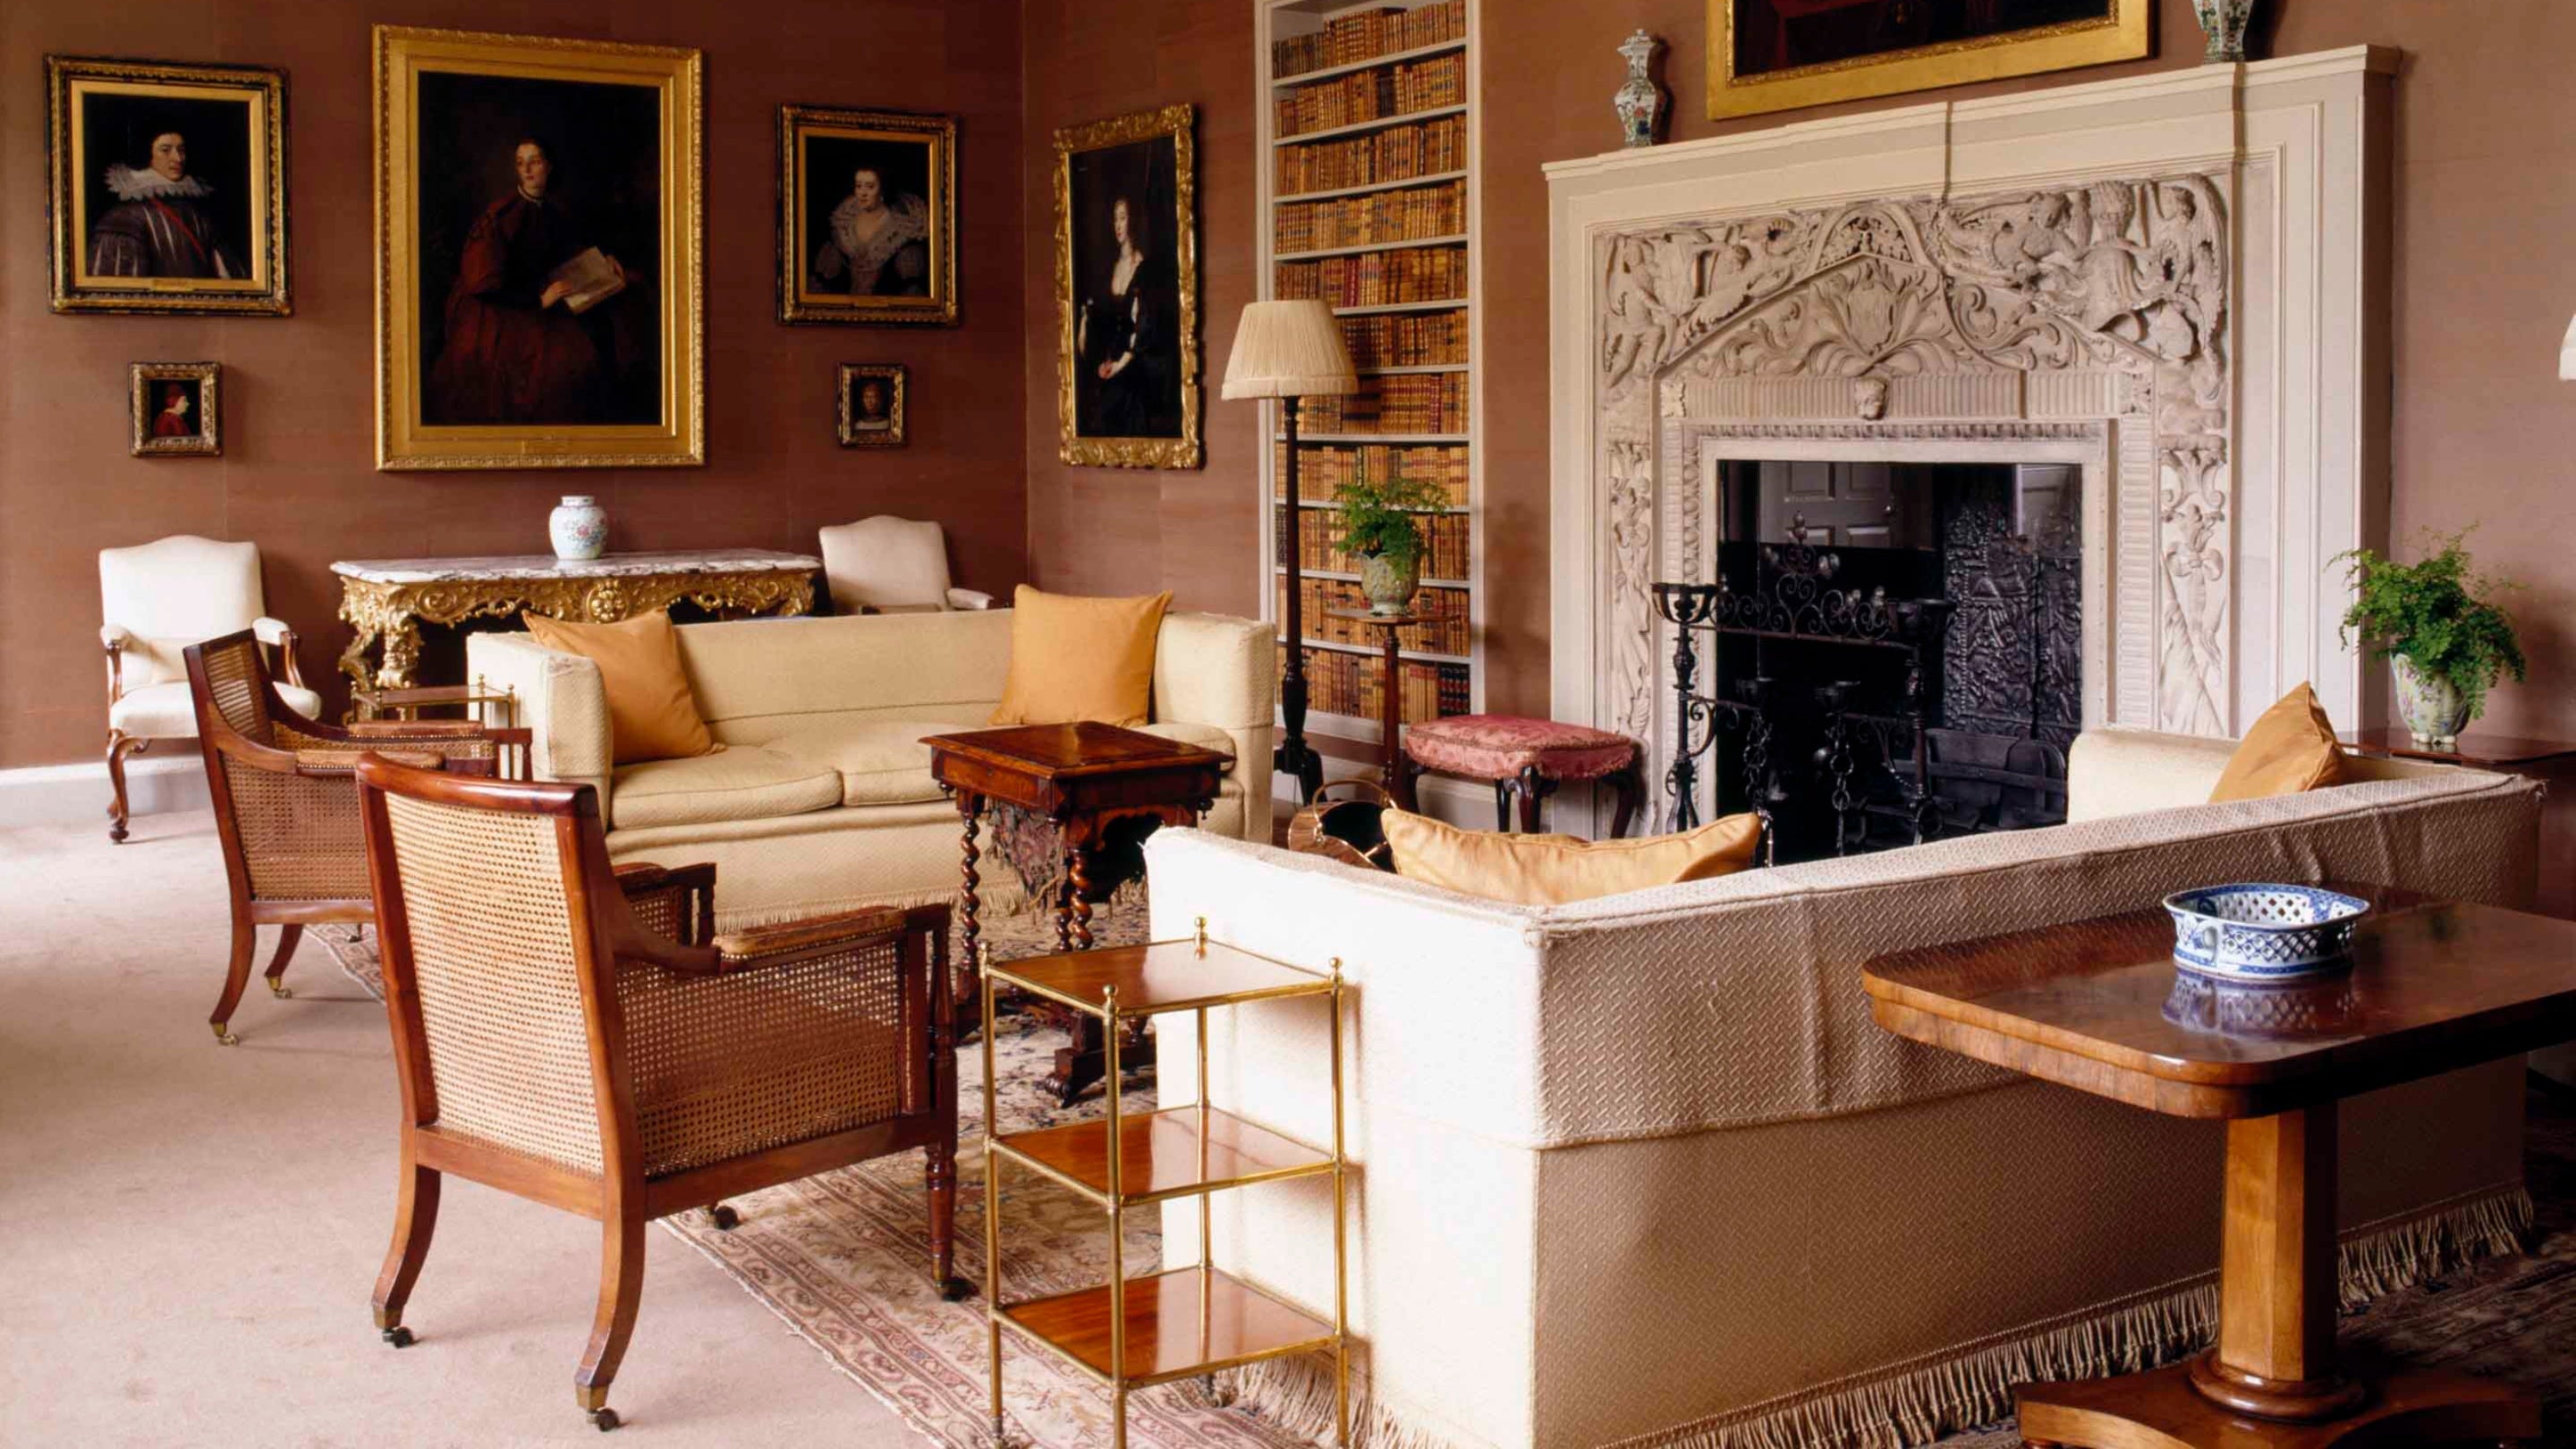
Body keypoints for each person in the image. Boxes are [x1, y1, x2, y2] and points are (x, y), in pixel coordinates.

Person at [425, 138, 636, 426]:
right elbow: (482, 283)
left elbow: (567, 245)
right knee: (552, 372)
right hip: (502, 307)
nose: (527, 170)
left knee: (620, 311)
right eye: (520, 163)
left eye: (534, 162)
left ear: (548, 167)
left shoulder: (552, 208)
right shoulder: (499, 216)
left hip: (544, 291)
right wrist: (538, 300)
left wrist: (603, 258)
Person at [1076, 196, 1175, 437]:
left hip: (1135, 360)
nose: (1118, 225)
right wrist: (1101, 358)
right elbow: (1100, 319)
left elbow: (1143, 327)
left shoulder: (1143, 267)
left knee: (1123, 397)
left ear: (1134, 221)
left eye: (1123, 218)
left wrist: (1120, 363)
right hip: (1110, 358)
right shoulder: (1109, 267)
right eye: (1115, 219)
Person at [89, 129, 246, 279]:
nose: (178, 158)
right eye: (165, 150)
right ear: (147, 154)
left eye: (181, 150)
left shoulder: (198, 211)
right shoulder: (123, 217)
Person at [809, 165, 929, 296]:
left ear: (882, 190)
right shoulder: (843, 226)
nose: (863, 193)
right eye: (858, 186)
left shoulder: (901, 231)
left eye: (870, 187)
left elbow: (911, 293)